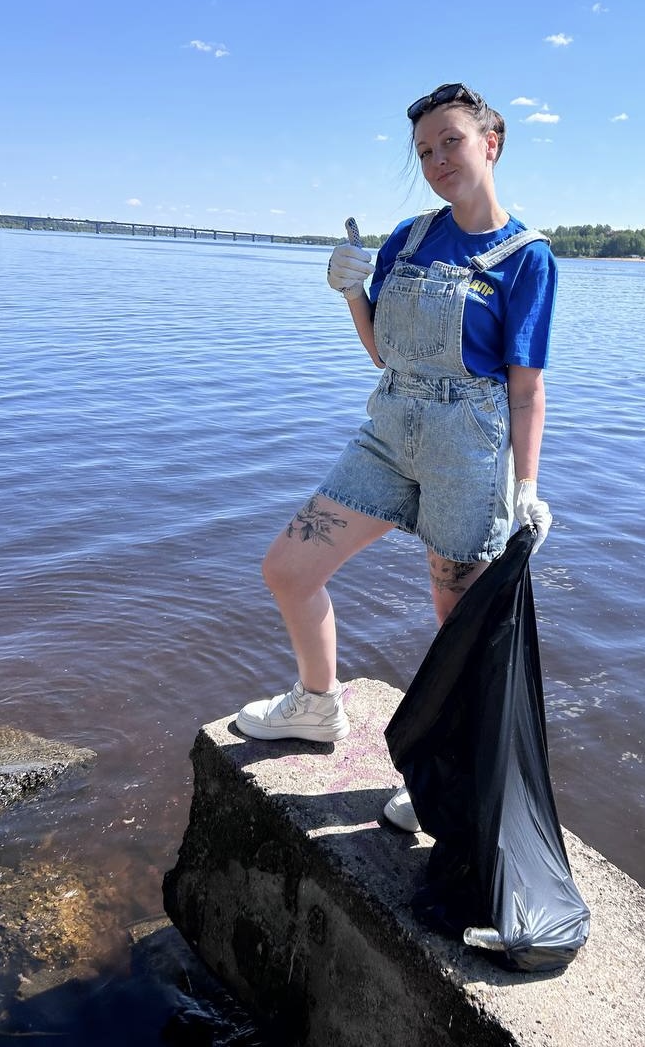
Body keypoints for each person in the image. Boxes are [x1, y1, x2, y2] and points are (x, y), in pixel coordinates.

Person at [235, 82, 558, 832]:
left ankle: (446, 778)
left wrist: (527, 484)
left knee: (457, 618)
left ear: (490, 144)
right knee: (289, 568)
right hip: (388, 432)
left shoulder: (527, 258)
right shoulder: (410, 239)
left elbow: (526, 388)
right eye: (423, 151)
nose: (437, 159)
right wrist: (353, 291)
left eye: (451, 141)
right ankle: (318, 704)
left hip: (468, 448)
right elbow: (385, 351)